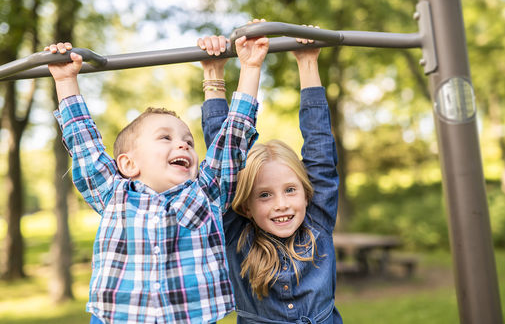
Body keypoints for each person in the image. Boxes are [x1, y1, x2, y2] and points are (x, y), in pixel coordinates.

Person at [46, 29, 268, 324]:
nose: (182, 145)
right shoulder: (114, 194)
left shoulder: (206, 193)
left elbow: (234, 137)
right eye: (165, 138)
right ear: (128, 163)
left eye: (188, 142)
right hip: (119, 317)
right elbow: (83, 143)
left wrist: (251, 66)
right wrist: (65, 80)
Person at [200, 32, 343, 323]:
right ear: (246, 206)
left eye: (291, 190)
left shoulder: (316, 221)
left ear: (306, 193)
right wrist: (213, 75)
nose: (282, 204)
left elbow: (320, 152)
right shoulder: (238, 234)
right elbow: (224, 158)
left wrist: (307, 63)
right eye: (264, 194)